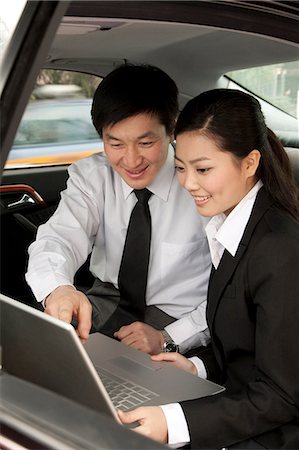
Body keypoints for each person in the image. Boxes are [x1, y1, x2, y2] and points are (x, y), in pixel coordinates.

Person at [118, 89, 299, 449]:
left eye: (203, 169)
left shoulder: (280, 249)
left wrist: (172, 423)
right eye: (181, 168)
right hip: (241, 409)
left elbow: (282, 395)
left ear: (249, 163)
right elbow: (242, 345)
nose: (188, 183)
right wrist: (196, 369)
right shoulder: (228, 228)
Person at [25, 63, 211, 356]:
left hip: (179, 317)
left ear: (172, 129)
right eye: (116, 143)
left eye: (145, 142)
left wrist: (168, 337)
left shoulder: (202, 183)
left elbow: (230, 292)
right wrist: (58, 289)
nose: (131, 159)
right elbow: (58, 238)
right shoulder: (92, 176)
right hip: (107, 301)